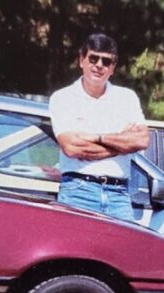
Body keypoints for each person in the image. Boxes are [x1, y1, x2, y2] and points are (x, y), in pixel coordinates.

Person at [49, 33, 149, 221]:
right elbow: (72, 148)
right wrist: (122, 146)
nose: (99, 65)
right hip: (77, 191)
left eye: (106, 61)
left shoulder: (126, 98)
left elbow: (142, 140)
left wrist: (96, 138)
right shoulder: (62, 98)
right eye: (93, 59)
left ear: (113, 68)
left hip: (119, 195)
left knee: (124, 241)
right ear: (81, 61)